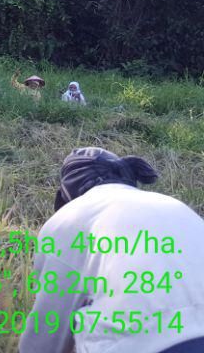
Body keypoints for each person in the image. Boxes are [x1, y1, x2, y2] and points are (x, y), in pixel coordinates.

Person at [19, 147, 204, 353]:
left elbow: (48, 332)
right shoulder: (173, 205)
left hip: (146, 343)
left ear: (68, 193)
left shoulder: (68, 219)